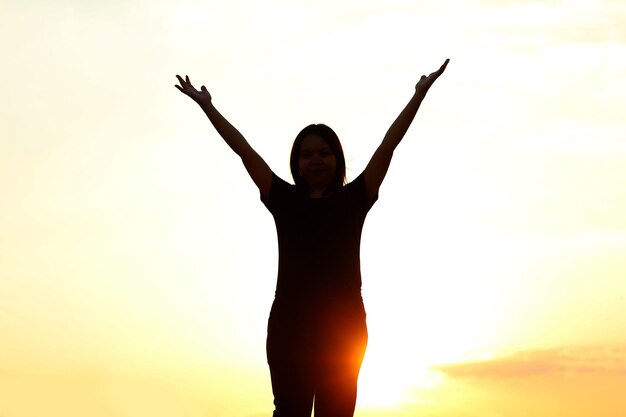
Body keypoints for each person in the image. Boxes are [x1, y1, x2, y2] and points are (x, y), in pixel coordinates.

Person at [175, 58, 449, 417]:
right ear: (297, 162)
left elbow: (388, 145)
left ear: (337, 159)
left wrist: (418, 96)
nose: (315, 160)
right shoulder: (283, 199)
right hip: (290, 324)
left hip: (344, 325)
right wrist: (208, 107)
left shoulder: (356, 198)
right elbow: (243, 150)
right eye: (307, 154)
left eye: (324, 153)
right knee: (290, 410)